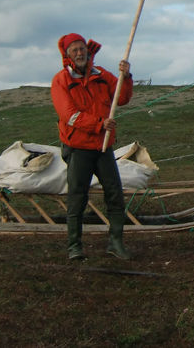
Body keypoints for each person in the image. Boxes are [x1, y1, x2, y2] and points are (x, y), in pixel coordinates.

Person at [51, 33, 133, 261]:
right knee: (77, 197)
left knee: (115, 194)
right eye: (74, 50)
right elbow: (68, 115)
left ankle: (116, 243)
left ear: (88, 51)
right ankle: (74, 247)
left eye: (82, 49)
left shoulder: (103, 75)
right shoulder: (61, 81)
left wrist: (125, 77)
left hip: (103, 147)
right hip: (78, 148)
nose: (79, 54)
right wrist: (99, 124)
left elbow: (122, 98)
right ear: (67, 55)